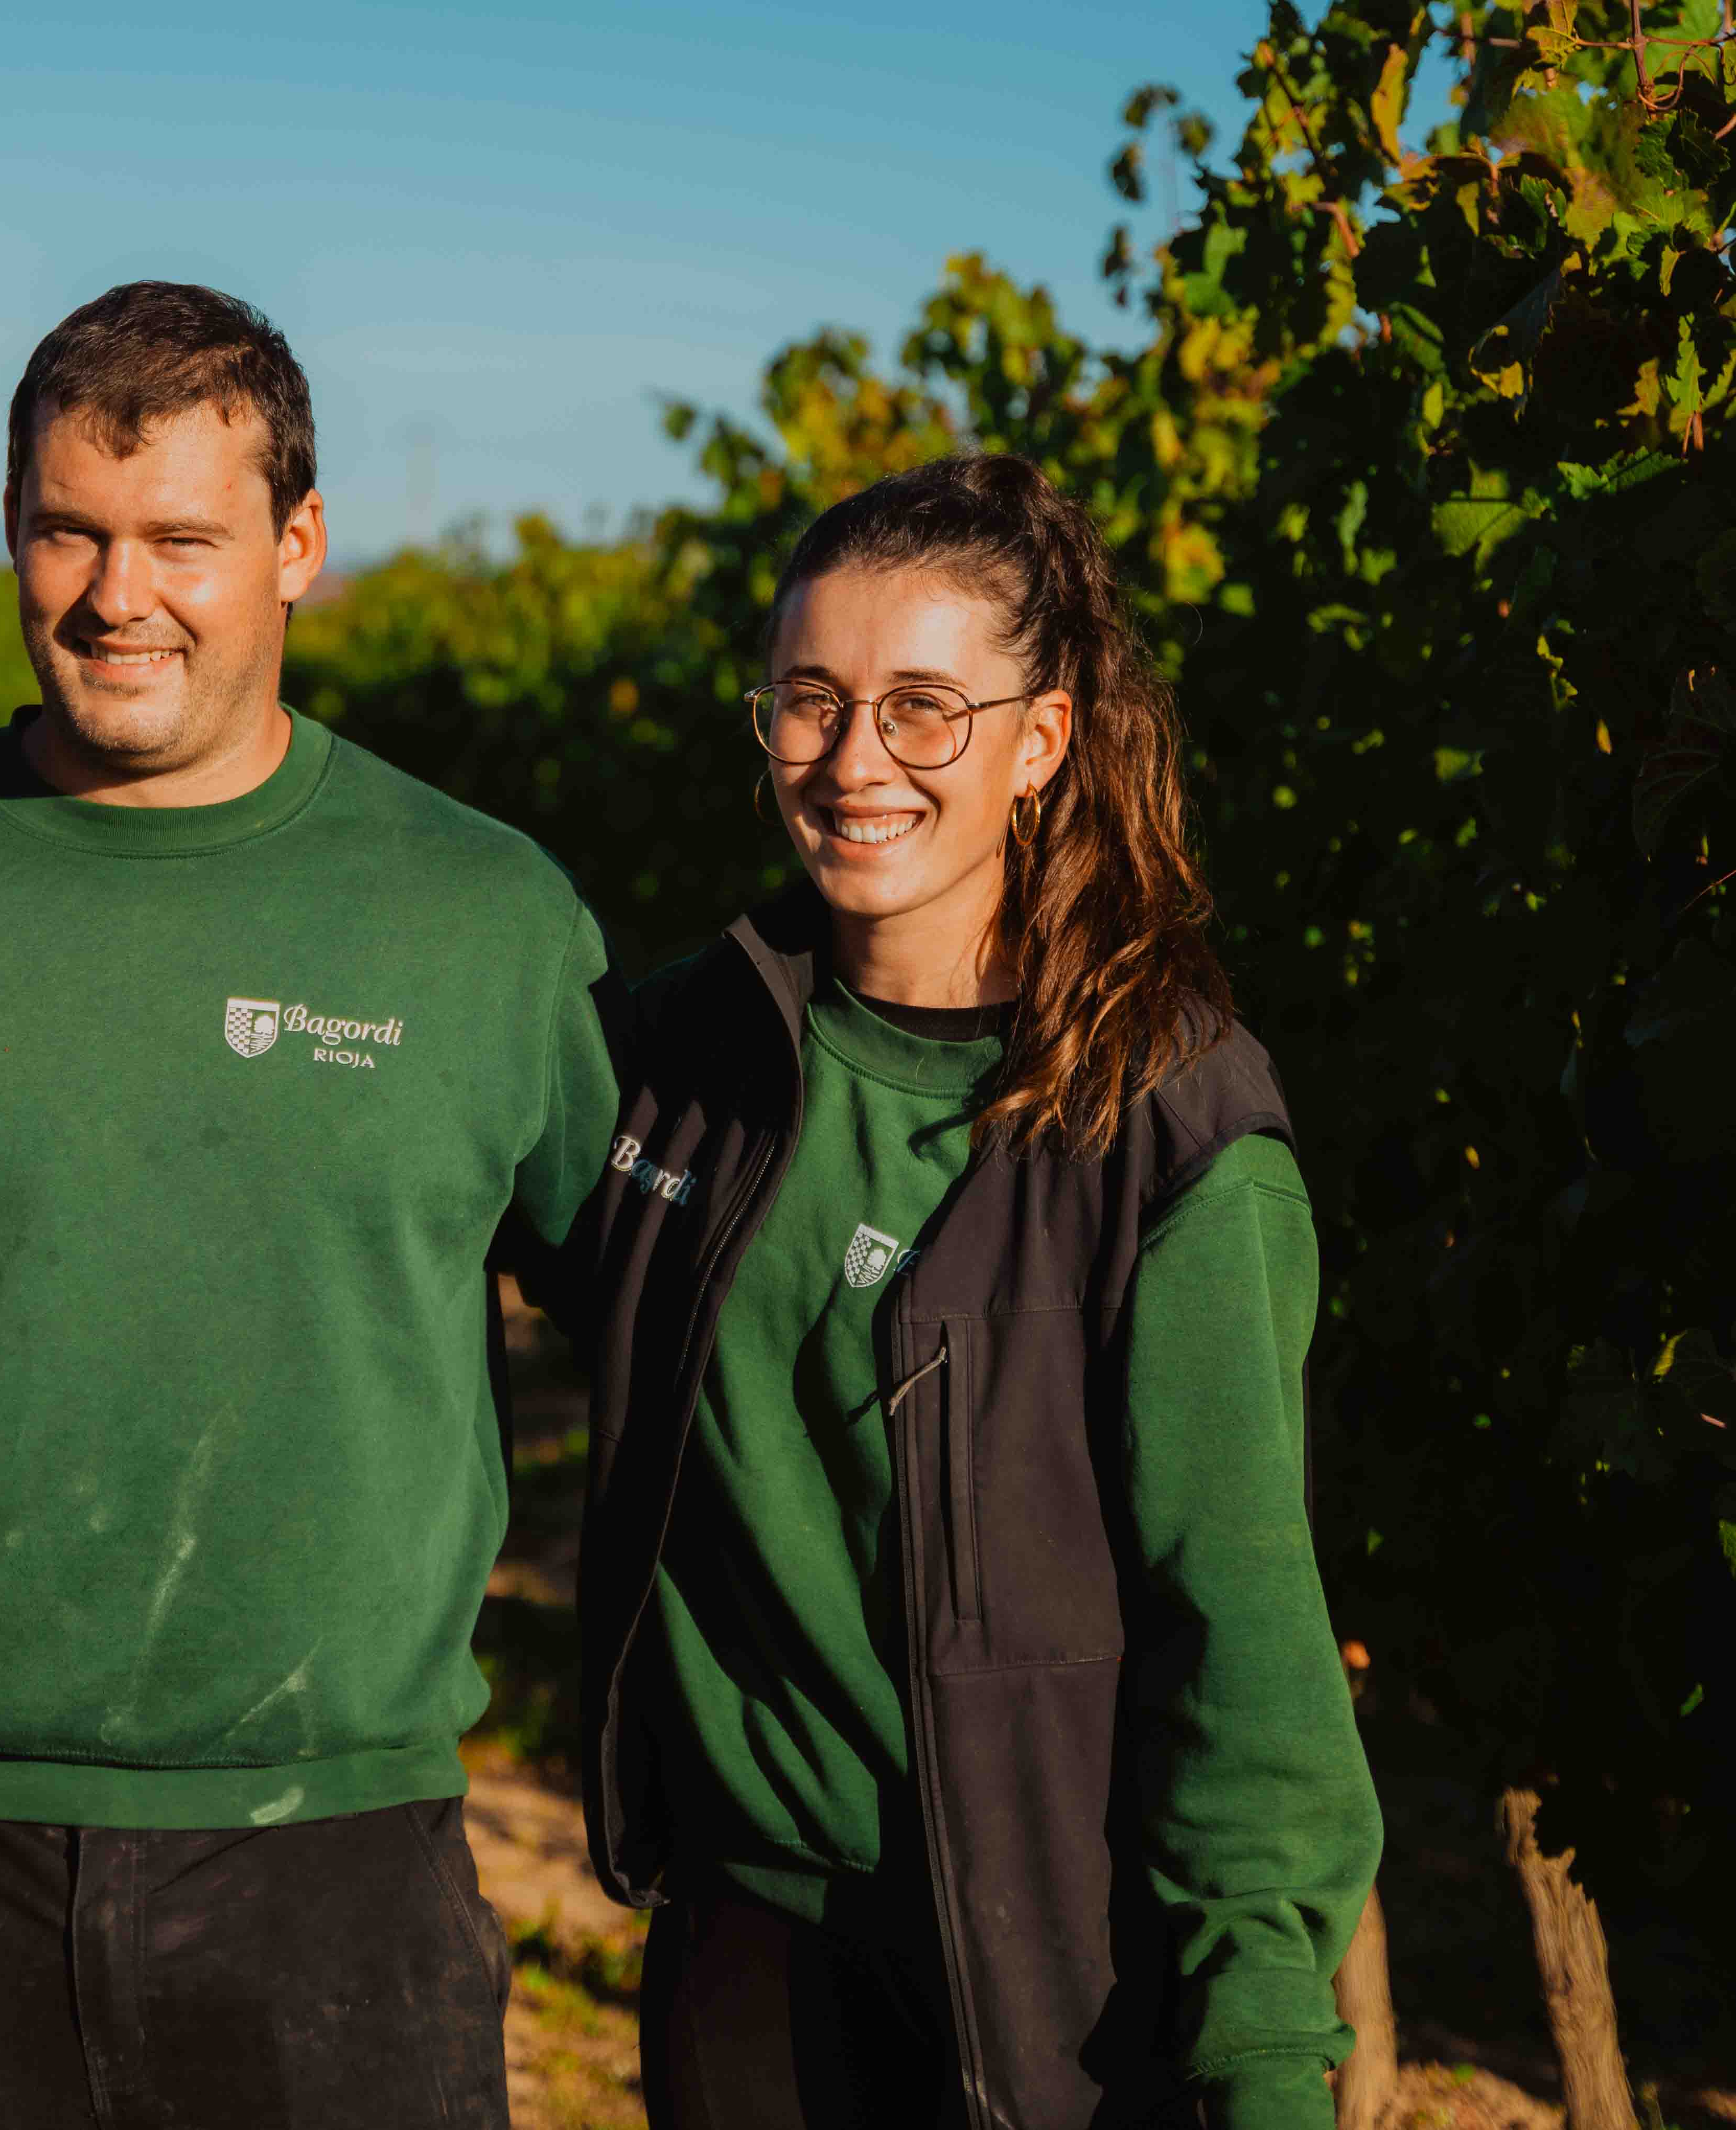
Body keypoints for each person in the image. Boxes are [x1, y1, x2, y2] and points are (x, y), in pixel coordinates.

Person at [0, 281, 617, 2128]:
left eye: (182, 541)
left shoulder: (482, 917)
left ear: (298, 548)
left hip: (329, 1855)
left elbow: (655, 1323)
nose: (119, 597)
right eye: (69, 533)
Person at [561, 454, 1383, 2130]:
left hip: (1043, 1984)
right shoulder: (679, 1058)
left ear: (1041, 739)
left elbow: (1240, 1640)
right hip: (745, 1961)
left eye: (923, 708)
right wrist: (5, 799)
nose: (854, 762)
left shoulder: (1167, 1137)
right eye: (808, 702)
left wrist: (1271, 2046)